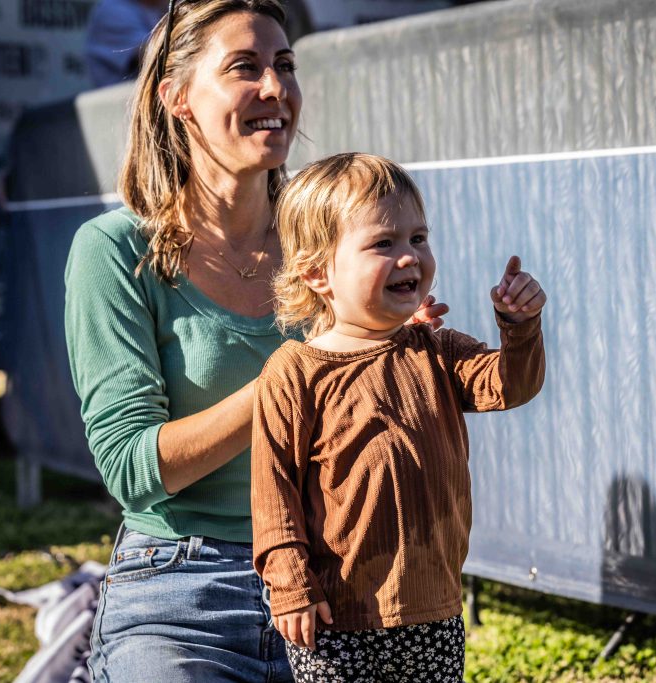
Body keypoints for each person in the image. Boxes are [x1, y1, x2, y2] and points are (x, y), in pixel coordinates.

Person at [64, 2, 448, 680]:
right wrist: (298, 377)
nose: (276, 88)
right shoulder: (114, 250)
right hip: (181, 589)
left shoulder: (334, 241)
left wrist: (397, 359)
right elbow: (131, 468)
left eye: (285, 65)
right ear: (177, 98)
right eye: (245, 67)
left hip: (337, 582)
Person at [251, 153, 547, 682]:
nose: (410, 256)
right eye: (383, 243)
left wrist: (518, 326)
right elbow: (274, 495)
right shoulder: (294, 372)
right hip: (336, 620)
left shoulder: (436, 350)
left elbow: (511, 384)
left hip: (432, 609)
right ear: (317, 272)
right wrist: (290, 584)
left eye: (418, 237)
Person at [84, 0, 165, 88]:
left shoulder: (151, 7)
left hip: (146, 89)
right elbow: (153, 52)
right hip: (119, 92)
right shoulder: (114, 9)